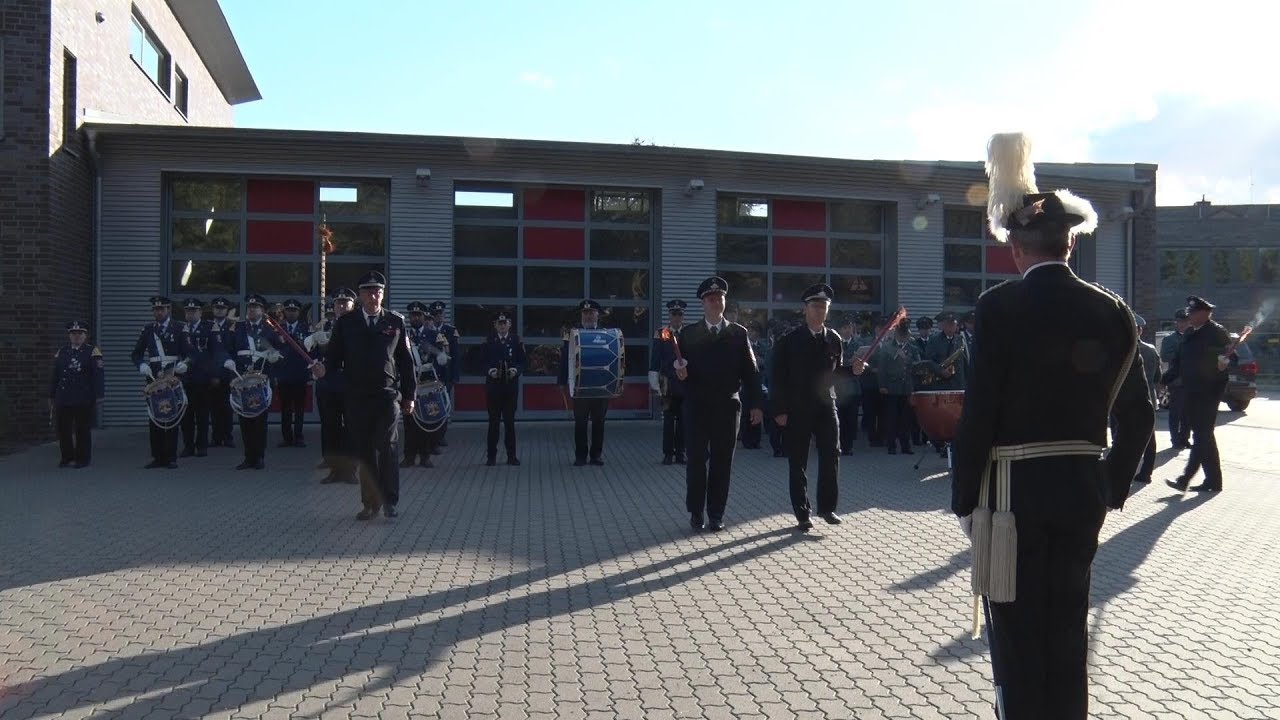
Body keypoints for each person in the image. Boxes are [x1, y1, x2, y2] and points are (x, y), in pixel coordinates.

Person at [952, 132, 1153, 719]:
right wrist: (1111, 484)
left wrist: (964, 496)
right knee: (1067, 628)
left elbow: (979, 411)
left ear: (1016, 249)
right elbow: (1139, 415)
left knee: (1016, 635)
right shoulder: (1113, 310)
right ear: (1071, 243)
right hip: (1082, 490)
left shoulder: (998, 306)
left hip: (1010, 496)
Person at [312, 271, 417, 520]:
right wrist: (323, 369)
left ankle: (389, 501)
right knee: (365, 449)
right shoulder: (346, 323)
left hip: (386, 395)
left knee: (387, 445)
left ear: (383, 294)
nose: (374, 296)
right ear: (360, 295)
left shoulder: (395, 321)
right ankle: (370, 503)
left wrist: (409, 395)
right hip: (357, 396)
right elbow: (334, 357)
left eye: (378, 291)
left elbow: (406, 362)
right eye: (369, 292)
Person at [771, 284, 863, 531]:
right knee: (798, 460)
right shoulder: (790, 340)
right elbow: (778, 377)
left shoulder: (834, 338)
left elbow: (836, 373)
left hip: (826, 405)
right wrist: (779, 410)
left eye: (824, 306)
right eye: (815, 306)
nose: (820, 310)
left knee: (832, 454)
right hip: (798, 406)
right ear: (805, 309)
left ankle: (827, 508)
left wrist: (852, 371)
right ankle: (802, 513)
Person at [674, 276, 763, 533]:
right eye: (711, 299)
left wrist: (756, 405)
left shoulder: (738, 333)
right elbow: (677, 369)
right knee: (696, 461)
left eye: (719, 298)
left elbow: (751, 372)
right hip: (697, 407)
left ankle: (716, 514)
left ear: (724, 302)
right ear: (703, 303)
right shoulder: (688, 334)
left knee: (722, 463)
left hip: (727, 406)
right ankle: (696, 512)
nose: (715, 302)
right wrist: (679, 373)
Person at [1163, 295, 1232, 493]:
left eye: (1192, 313)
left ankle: (1185, 478)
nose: (1189, 316)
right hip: (1191, 390)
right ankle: (1213, 481)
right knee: (1205, 436)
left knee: (1201, 436)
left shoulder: (1217, 333)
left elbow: (1231, 357)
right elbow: (1178, 362)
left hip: (1209, 392)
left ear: (1205, 313)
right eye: (1188, 312)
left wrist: (1224, 363)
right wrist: (1163, 380)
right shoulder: (1190, 333)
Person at [130, 296, 191, 469]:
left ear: (168, 310)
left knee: (171, 415)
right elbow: (136, 353)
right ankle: (158, 457)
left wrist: (185, 364)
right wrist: (141, 365)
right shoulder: (148, 329)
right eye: (155, 309)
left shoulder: (179, 327)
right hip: (153, 377)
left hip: (172, 377)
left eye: (161, 309)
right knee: (154, 416)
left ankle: (171, 457)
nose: (158, 312)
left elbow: (190, 353)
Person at [227, 294, 283, 470]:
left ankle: (259, 457)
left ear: (262, 310)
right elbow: (228, 349)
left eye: (255, 307)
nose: (251, 310)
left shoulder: (270, 329)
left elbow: (280, 351)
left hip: (261, 379)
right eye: (250, 307)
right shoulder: (238, 328)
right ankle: (248, 457)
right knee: (244, 420)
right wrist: (227, 361)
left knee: (259, 421)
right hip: (242, 379)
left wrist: (275, 357)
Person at [307, 288, 357, 485]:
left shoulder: (359, 325)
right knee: (331, 428)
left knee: (352, 429)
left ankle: (351, 471)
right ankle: (335, 470)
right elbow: (312, 352)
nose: (341, 306)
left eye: (345, 303)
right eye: (338, 303)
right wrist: (313, 352)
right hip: (328, 384)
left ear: (353, 305)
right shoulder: (324, 326)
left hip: (351, 384)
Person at [560, 299, 609, 466]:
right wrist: (562, 381)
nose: (588, 316)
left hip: (600, 385)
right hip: (580, 385)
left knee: (599, 422)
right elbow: (565, 359)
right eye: (585, 313)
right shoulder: (572, 334)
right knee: (580, 423)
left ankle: (596, 455)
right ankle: (580, 456)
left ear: (598, 315)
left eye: (591, 313)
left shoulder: (606, 334)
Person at [49, 320, 104, 468]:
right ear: (69, 335)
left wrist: (99, 394)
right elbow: (56, 375)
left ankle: (82, 459)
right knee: (63, 430)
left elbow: (97, 375)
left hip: (83, 397)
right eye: (73, 333)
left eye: (80, 333)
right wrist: (52, 394)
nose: (77, 336)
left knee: (82, 429)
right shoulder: (62, 351)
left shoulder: (92, 352)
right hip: (64, 396)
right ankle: (67, 457)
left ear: (85, 335)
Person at [482, 310, 525, 466]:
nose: (502, 326)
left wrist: (516, 370)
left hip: (510, 388)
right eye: (499, 323)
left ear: (509, 324)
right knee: (493, 423)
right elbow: (482, 361)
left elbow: (522, 362)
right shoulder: (489, 341)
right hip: (493, 388)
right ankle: (491, 457)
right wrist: (489, 370)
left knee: (509, 423)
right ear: (495, 325)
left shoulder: (516, 341)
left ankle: (511, 456)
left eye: (504, 323)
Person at [872, 319, 920, 455]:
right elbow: (882, 368)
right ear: (896, 333)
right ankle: (891, 446)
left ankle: (906, 446)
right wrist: (882, 385)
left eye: (906, 333)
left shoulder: (913, 348)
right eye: (901, 333)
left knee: (906, 418)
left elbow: (918, 366)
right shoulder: (887, 347)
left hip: (906, 387)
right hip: (891, 387)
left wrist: (906, 359)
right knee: (891, 418)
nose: (904, 336)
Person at [649, 299, 688, 465]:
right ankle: (667, 454)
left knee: (684, 420)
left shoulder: (688, 333)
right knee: (668, 420)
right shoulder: (662, 333)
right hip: (667, 384)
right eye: (674, 314)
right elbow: (655, 359)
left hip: (685, 383)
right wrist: (654, 382)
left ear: (683, 316)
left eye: (679, 314)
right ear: (669, 315)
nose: (677, 317)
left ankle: (681, 453)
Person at [178, 299, 214, 458]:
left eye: (193, 311)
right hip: (184, 377)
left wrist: (214, 374)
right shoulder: (180, 328)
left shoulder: (209, 328)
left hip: (202, 377)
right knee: (186, 415)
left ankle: (202, 445)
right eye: (188, 311)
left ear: (200, 312)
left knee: (202, 414)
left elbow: (214, 352)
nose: (190, 314)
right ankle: (188, 446)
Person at [275, 299, 312, 448]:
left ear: (298, 312)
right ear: (285, 312)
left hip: (299, 374)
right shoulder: (278, 328)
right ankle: (286, 437)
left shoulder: (305, 328)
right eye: (289, 310)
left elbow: (311, 350)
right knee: (285, 408)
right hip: (284, 374)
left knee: (299, 408)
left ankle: (299, 437)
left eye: (294, 310)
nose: (291, 313)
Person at [1131, 315, 1161, 484]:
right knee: (1149, 438)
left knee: (1124, 437)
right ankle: (1146, 472)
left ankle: (1124, 471)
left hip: (1127, 401)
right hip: (1149, 398)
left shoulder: (1121, 348)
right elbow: (1157, 377)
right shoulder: (1150, 350)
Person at [428, 300, 461, 450]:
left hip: (446, 375)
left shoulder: (450, 331)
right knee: (431, 406)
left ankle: (441, 436)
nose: (438, 316)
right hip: (430, 375)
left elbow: (456, 355)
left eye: (440, 313)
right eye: (435, 314)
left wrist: (455, 376)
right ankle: (431, 436)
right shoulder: (427, 331)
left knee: (444, 406)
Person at [208, 297, 238, 448]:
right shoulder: (207, 326)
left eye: (222, 308)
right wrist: (213, 374)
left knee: (227, 406)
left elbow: (234, 349)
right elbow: (208, 352)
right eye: (217, 308)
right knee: (214, 407)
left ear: (227, 310)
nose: (219, 310)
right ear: (213, 310)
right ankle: (216, 437)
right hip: (212, 372)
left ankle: (228, 436)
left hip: (228, 372)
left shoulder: (232, 326)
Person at [1159, 308, 1191, 449]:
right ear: (1176, 323)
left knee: (1188, 413)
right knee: (1175, 413)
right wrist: (1182, 354)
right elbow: (1165, 356)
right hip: (1176, 380)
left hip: (1192, 380)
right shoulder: (1170, 339)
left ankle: (1185, 438)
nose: (1182, 324)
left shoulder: (1194, 337)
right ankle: (1175, 440)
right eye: (1180, 322)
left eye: (1185, 321)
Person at [835, 315, 862, 457]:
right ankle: (837, 445)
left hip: (852, 388)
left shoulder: (858, 345)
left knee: (851, 419)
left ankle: (848, 446)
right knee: (838, 418)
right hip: (838, 388)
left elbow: (864, 365)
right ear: (840, 330)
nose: (847, 330)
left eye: (849, 328)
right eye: (845, 328)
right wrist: (848, 361)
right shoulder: (835, 343)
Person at [739, 321, 769, 450]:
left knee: (758, 410)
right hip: (745, 384)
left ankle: (756, 441)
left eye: (754, 331)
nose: (751, 333)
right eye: (750, 330)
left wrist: (760, 360)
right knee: (746, 412)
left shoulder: (763, 346)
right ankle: (746, 440)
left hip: (760, 383)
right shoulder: (743, 345)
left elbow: (767, 361)